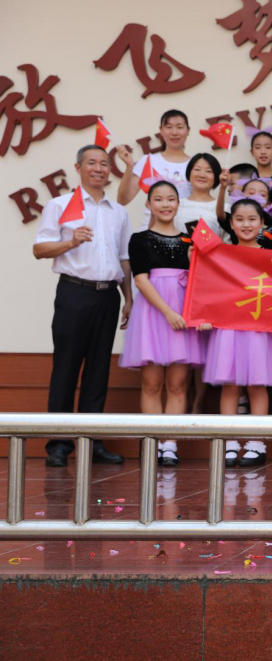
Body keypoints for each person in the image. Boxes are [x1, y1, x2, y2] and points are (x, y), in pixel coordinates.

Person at [33, 145, 132, 467]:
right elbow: (39, 249)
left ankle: (92, 441)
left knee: (98, 370)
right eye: (92, 163)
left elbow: (124, 258)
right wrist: (71, 241)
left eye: (104, 163)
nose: (99, 168)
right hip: (74, 293)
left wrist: (128, 298)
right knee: (66, 367)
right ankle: (59, 444)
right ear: (78, 168)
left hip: (108, 296)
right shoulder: (60, 205)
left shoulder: (119, 211)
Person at [120, 181, 205, 466]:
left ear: (178, 204)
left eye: (171, 199)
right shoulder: (139, 239)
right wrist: (168, 312)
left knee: (178, 384)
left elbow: (202, 279)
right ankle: (153, 441)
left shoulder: (190, 240)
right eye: (158, 199)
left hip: (183, 314)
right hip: (154, 314)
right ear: (149, 204)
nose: (165, 204)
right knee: (152, 383)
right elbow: (140, 280)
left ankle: (170, 444)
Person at [201, 199, 272, 466]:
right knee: (230, 385)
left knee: (256, 385)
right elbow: (210, 289)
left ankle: (256, 443)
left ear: (262, 224)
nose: (246, 224)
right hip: (228, 329)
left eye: (252, 219)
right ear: (231, 223)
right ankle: (229, 442)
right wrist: (203, 314)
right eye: (239, 219)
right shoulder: (221, 255)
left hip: (259, 330)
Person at [116, 110, 192, 229]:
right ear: (161, 130)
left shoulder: (196, 165)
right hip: (151, 232)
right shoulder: (148, 161)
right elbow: (123, 200)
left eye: (180, 127)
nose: (174, 132)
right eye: (169, 127)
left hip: (184, 232)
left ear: (188, 130)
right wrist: (129, 167)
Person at [175, 153, 222, 239]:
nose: (202, 175)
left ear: (216, 177)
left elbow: (228, 242)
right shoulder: (176, 205)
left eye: (208, 171)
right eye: (197, 169)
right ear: (189, 173)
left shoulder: (223, 208)